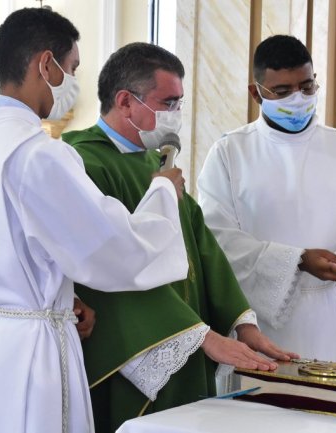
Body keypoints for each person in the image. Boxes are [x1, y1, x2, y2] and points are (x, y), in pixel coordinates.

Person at [0, 8, 189, 433]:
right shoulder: (39, 153)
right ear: (46, 65)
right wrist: (163, 194)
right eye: (72, 68)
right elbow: (113, 249)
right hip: (35, 353)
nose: (73, 81)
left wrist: (47, 296)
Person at [62, 42, 297, 433]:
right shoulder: (84, 164)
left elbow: (200, 244)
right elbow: (109, 270)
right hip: (137, 351)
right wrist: (199, 336)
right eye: (168, 103)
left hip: (189, 342)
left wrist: (242, 323)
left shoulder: (157, 164)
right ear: (125, 101)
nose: (175, 115)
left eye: (179, 103)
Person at [197, 34, 336, 365]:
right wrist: (296, 260)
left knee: (330, 396)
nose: (298, 99)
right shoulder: (230, 153)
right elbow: (217, 242)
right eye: (282, 91)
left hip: (330, 317)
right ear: (256, 93)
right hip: (261, 322)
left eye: (307, 87)